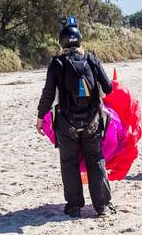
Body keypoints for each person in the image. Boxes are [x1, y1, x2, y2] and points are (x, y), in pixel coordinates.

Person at [36, 17, 114, 218]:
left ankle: (74, 207)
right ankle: (103, 206)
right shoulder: (91, 59)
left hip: (66, 123)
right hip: (91, 122)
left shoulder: (57, 62)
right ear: (79, 40)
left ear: (62, 41)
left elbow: (48, 93)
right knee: (95, 160)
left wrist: (40, 116)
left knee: (69, 163)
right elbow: (108, 87)